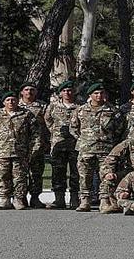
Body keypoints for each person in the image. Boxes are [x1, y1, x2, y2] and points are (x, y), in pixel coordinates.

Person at [71, 82, 125, 212]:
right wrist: (84, 140)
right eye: (96, 93)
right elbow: (73, 128)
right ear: (90, 95)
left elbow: (119, 129)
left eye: (101, 93)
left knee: (106, 176)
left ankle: (104, 201)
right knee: (85, 176)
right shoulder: (81, 110)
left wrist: (109, 141)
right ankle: (85, 201)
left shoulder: (112, 110)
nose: (99, 95)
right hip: (86, 149)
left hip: (105, 150)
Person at [0, 91, 35, 210]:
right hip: (2, 152)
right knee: (3, 176)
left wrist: (33, 149)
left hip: (20, 152)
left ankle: (18, 199)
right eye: (8, 100)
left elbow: (35, 133)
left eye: (13, 99)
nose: (11, 102)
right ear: (3, 102)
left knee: (20, 177)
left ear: (18, 101)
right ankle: (5, 199)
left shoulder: (26, 114)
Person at [44, 80, 80, 209]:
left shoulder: (80, 106)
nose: (67, 93)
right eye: (64, 91)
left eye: (69, 90)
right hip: (58, 143)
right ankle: (59, 199)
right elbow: (48, 120)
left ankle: (75, 199)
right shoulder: (53, 106)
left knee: (76, 172)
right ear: (60, 93)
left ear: (74, 92)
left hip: (75, 143)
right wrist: (55, 131)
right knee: (58, 171)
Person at [17, 83, 49, 208]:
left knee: (36, 173)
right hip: (19, 145)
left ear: (36, 92)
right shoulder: (15, 105)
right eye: (26, 90)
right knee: (19, 173)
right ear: (21, 92)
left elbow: (48, 124)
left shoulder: (43, 106)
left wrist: (46, 141)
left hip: (37, 144)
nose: (29, 92)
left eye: (32, 90)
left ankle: (35, 197)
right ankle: (21, 197)